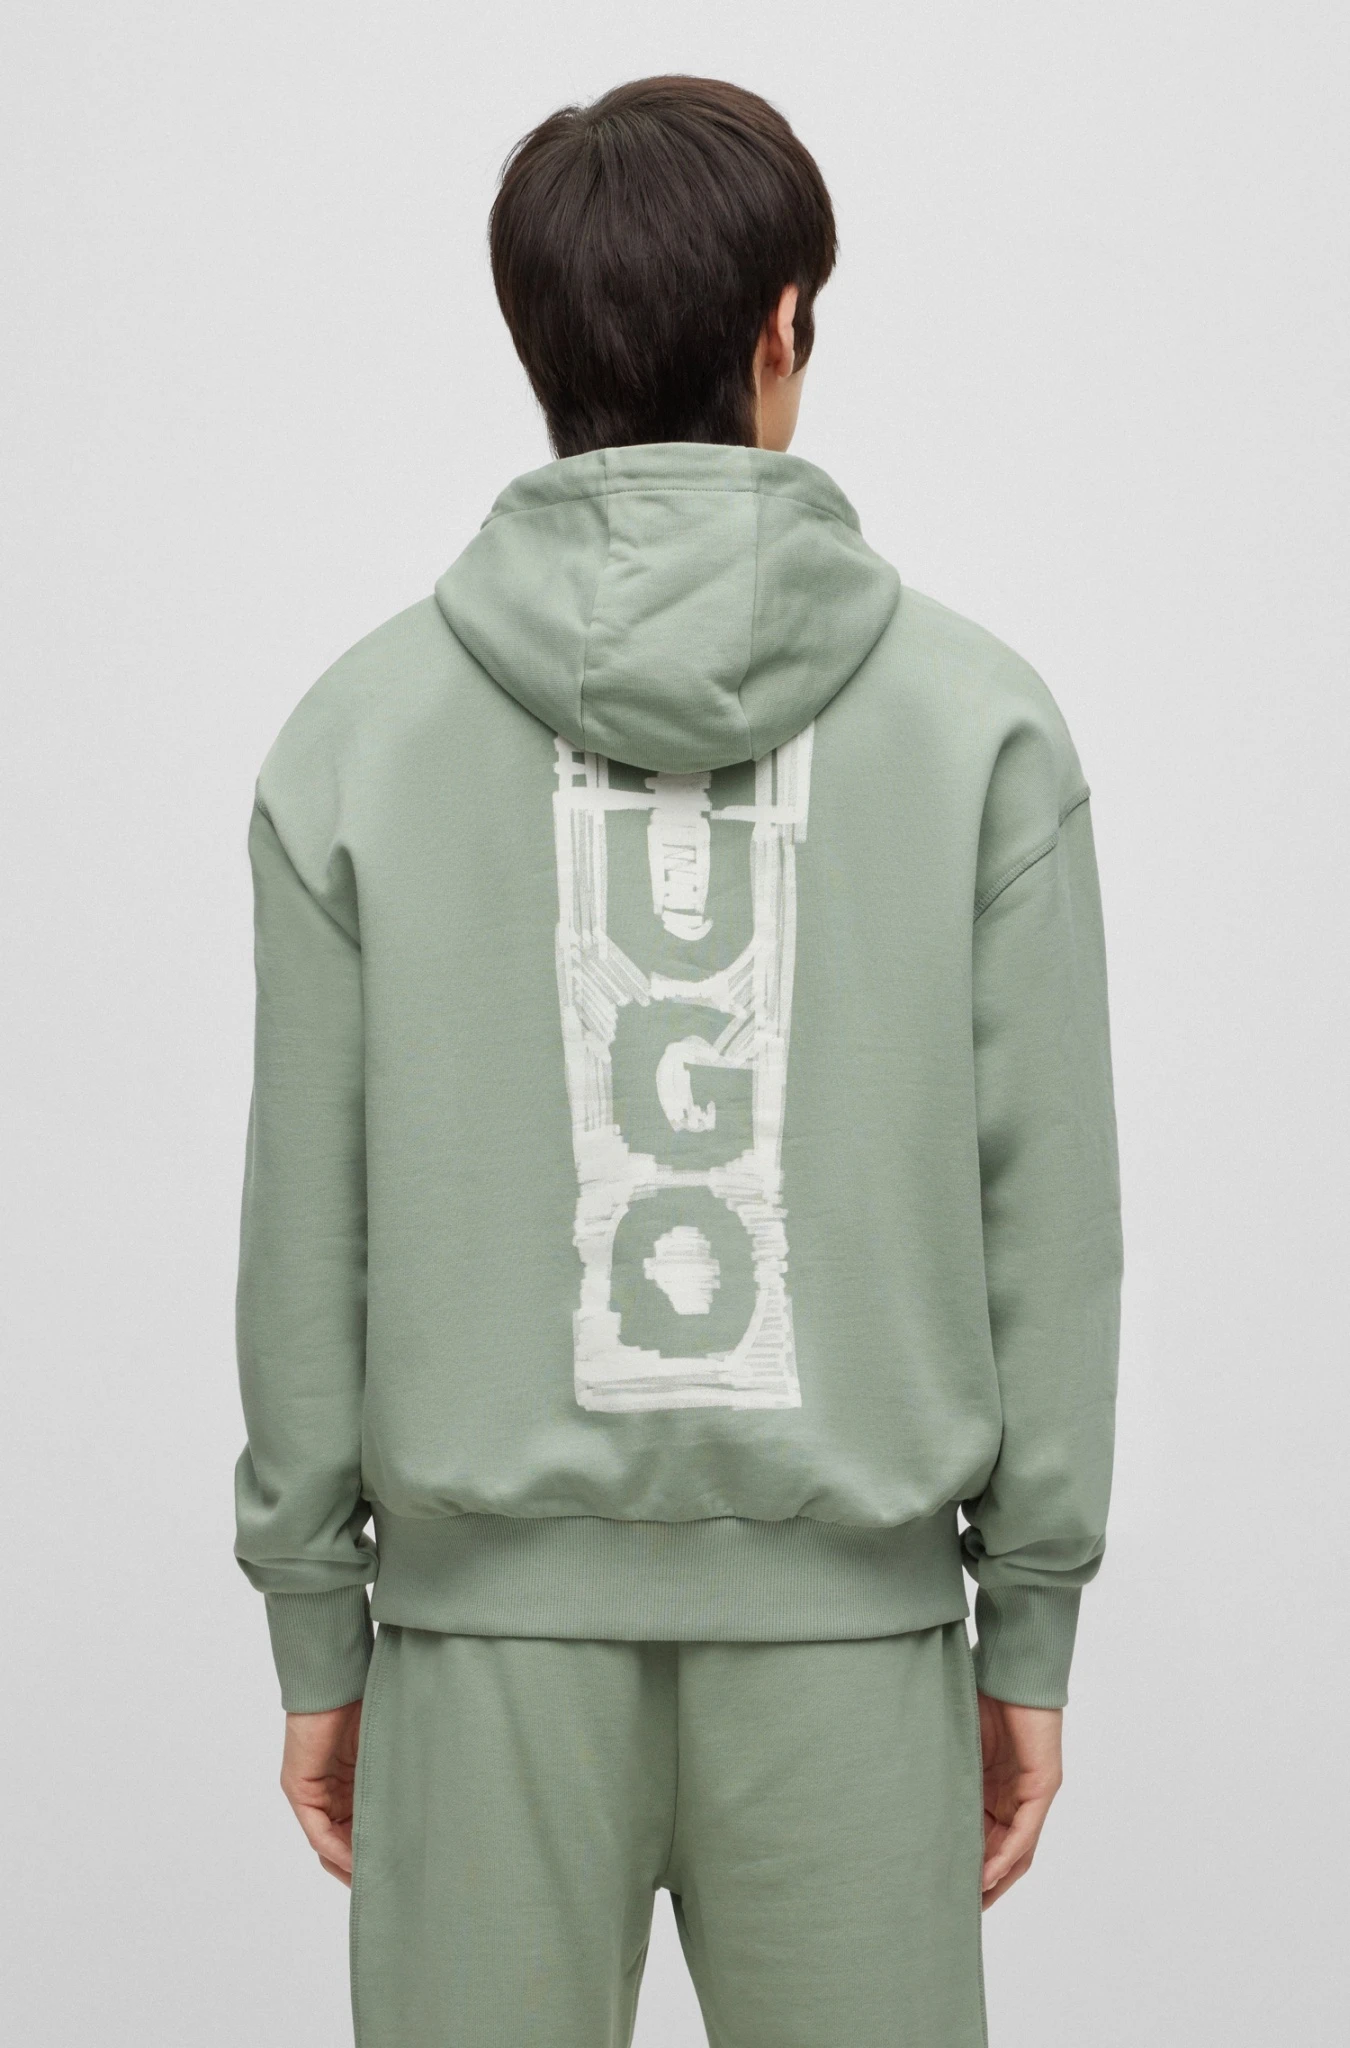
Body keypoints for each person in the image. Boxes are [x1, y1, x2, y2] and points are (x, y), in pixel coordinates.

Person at [234, 74, 1122, 2048]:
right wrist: (1031, 1617)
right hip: (854, 1649)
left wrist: (313, 1623)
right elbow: (1049, 1215)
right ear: (783, 324)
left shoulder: (356, 736)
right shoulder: (981, 727)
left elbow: (305, 1232)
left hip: (479, 1650)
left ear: (534, 342)